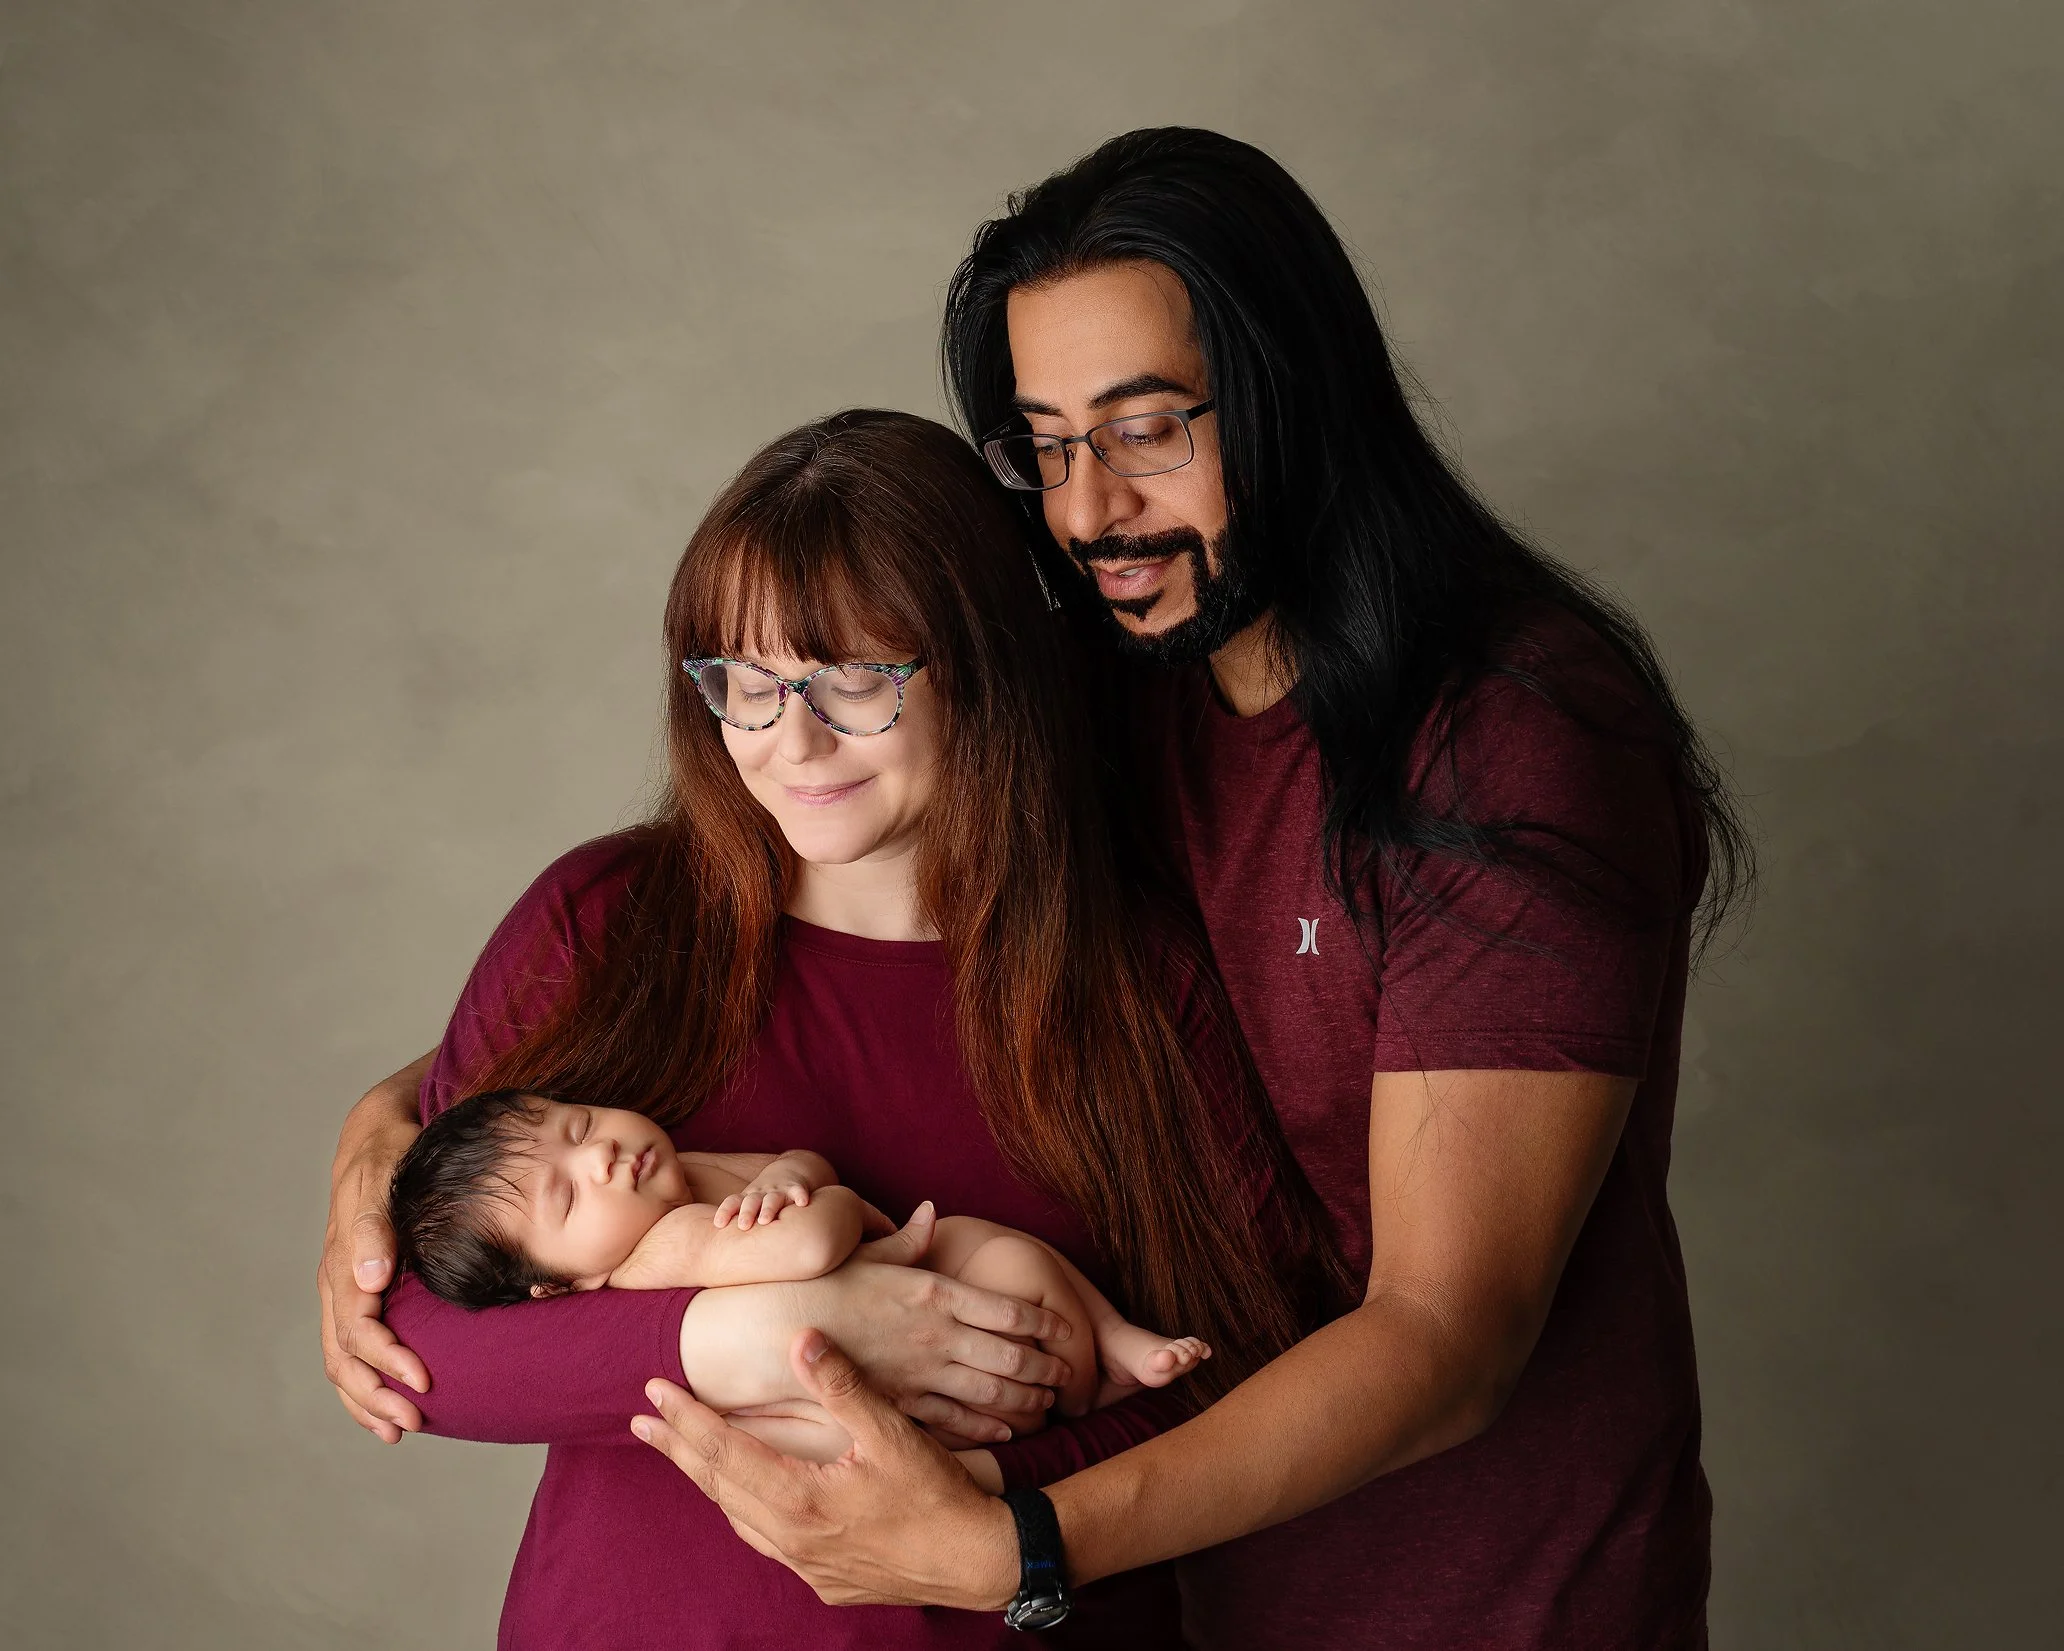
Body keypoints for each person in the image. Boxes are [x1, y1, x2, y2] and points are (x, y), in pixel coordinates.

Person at [623, 128, 1754, 1649]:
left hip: (1490, 1603)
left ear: (1297, 399)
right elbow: (797, 900)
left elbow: (1449, 1331)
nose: (1089, 513)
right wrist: (402, 1123)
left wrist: (1016, 1543)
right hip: (1176, 1592)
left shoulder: (1506, 734)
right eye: (1045, 447)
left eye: (1147, 430)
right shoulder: (1109, 684)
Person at [321, 407, 1340, 1649]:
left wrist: (984, 1497)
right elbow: (419, 1344)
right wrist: (749, 1334)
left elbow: (1246, 1372)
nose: (791, 741)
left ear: (985, 665)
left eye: (855, 680)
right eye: (747, 686)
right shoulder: (604, 921)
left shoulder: (1141, 978)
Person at [389, 1087, 1212, 1439]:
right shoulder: (664, 1245)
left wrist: (788, 1174)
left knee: (988, 1245)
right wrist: (840, 1208)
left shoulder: (681, 1172)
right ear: (564, 1284)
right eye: (568, 1195)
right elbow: (814, 1244)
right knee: (995, 1259)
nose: (600, 1153)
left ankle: (1112, 1339)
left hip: (916, 1304)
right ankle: (1094, 1379)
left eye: (578, 1125)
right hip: (895, 1373)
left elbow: (800, 1165)